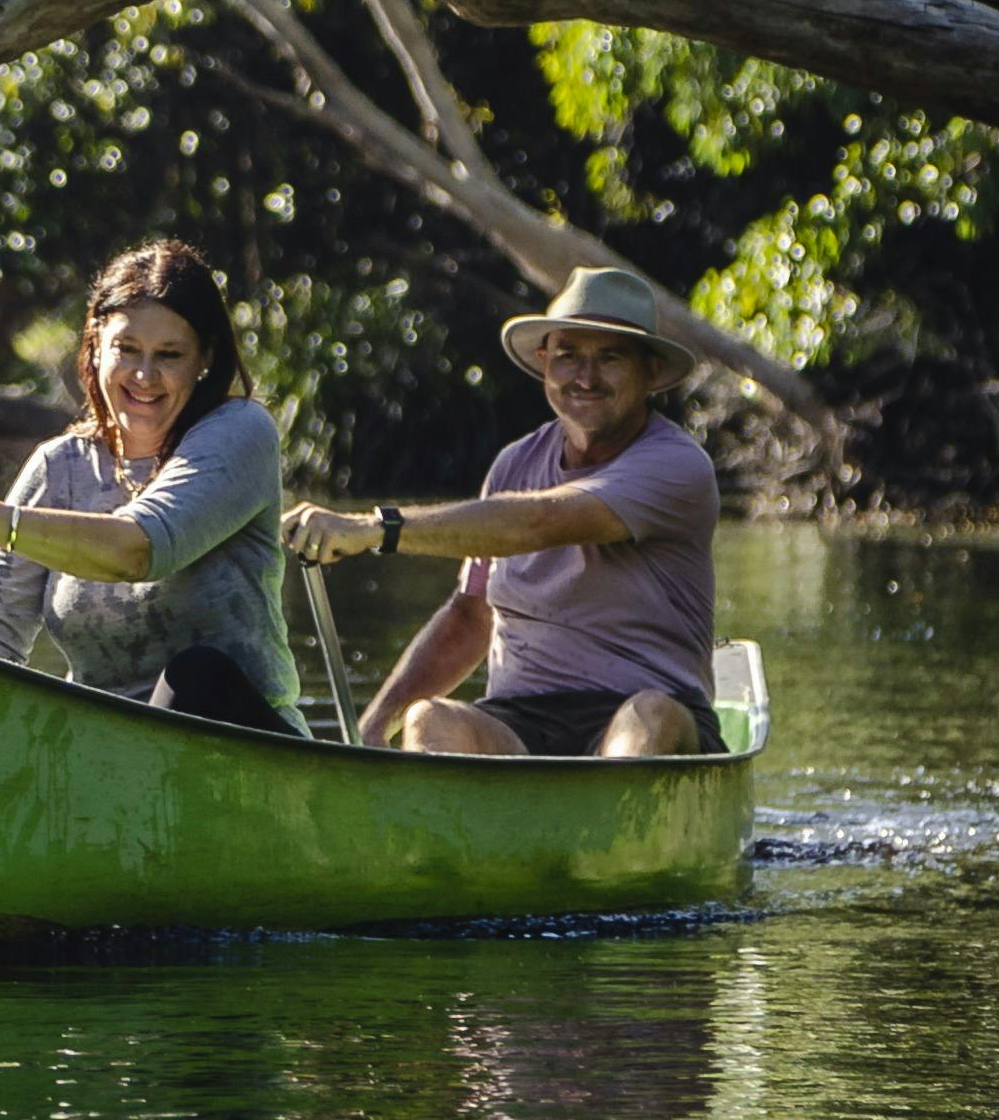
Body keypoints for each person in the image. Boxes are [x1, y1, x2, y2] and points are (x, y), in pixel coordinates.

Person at [277, 265, 720, 755]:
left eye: (610, 358)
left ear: (650, 372)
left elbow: (540, 522)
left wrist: (374, 528)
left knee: (649, 718)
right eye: (568, 356)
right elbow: (471, 615)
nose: (585, 377)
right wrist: (375, 728)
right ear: (544, 362)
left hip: (647, 710)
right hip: (521, 718)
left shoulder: (677, 464)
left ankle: (611, 803)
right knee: (429, 718)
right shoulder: (514, 464)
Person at [0, 239, 300, 732]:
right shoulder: (59, 467)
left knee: (198, 675)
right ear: (96, 346)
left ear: (204, 357)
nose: (145, 375)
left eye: (169, 355)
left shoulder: (241, 432)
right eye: (127, 349)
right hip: (107, 751)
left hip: (247, 742)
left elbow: (137, 550)